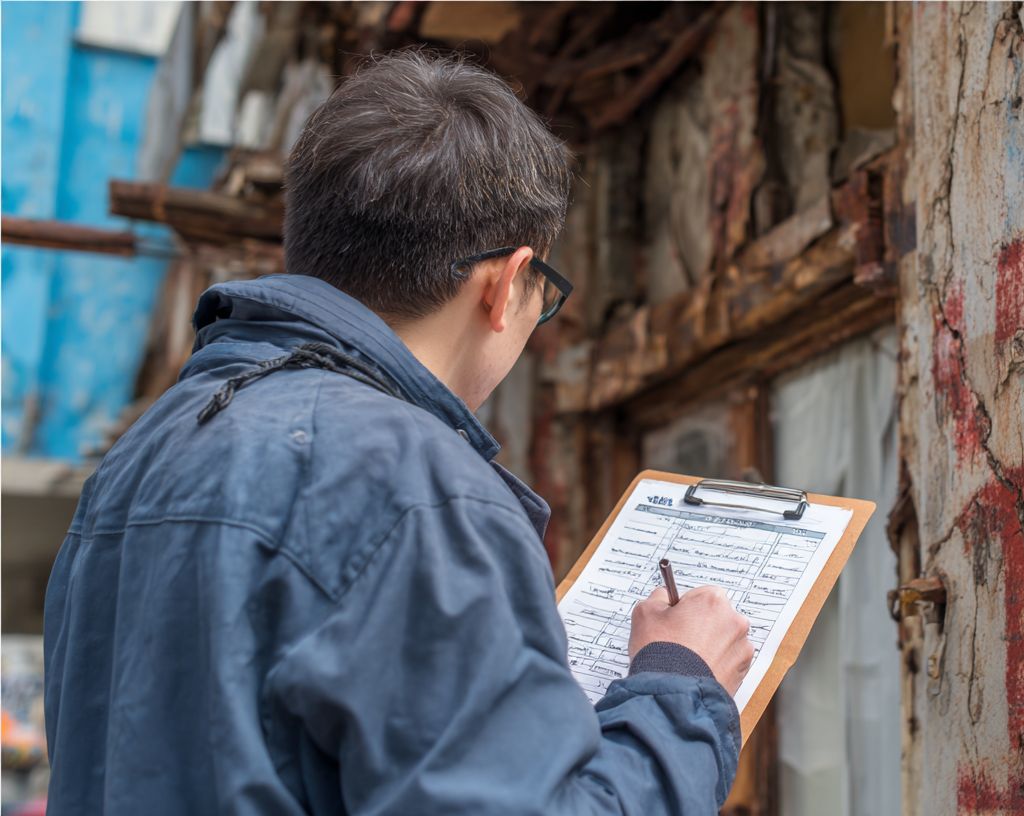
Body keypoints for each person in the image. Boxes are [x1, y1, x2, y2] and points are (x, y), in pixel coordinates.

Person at [43, 51, 753, 815]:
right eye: (542, 296)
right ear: (506, 284)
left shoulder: (143, 454)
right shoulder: (417, 488)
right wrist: (678, 688)